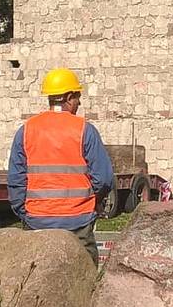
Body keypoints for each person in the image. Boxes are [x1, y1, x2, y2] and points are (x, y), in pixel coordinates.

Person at [7, 68, 114, 264]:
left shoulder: (26, 130)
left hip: (37, 222)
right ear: (67, 97)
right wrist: (93, 204)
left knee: (36, 280)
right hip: (78, 221)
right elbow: (104, 179)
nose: (79, 102)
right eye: (77, 97)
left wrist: (25, 213)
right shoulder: (85, 130)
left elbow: (16, 180)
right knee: (84, 280)